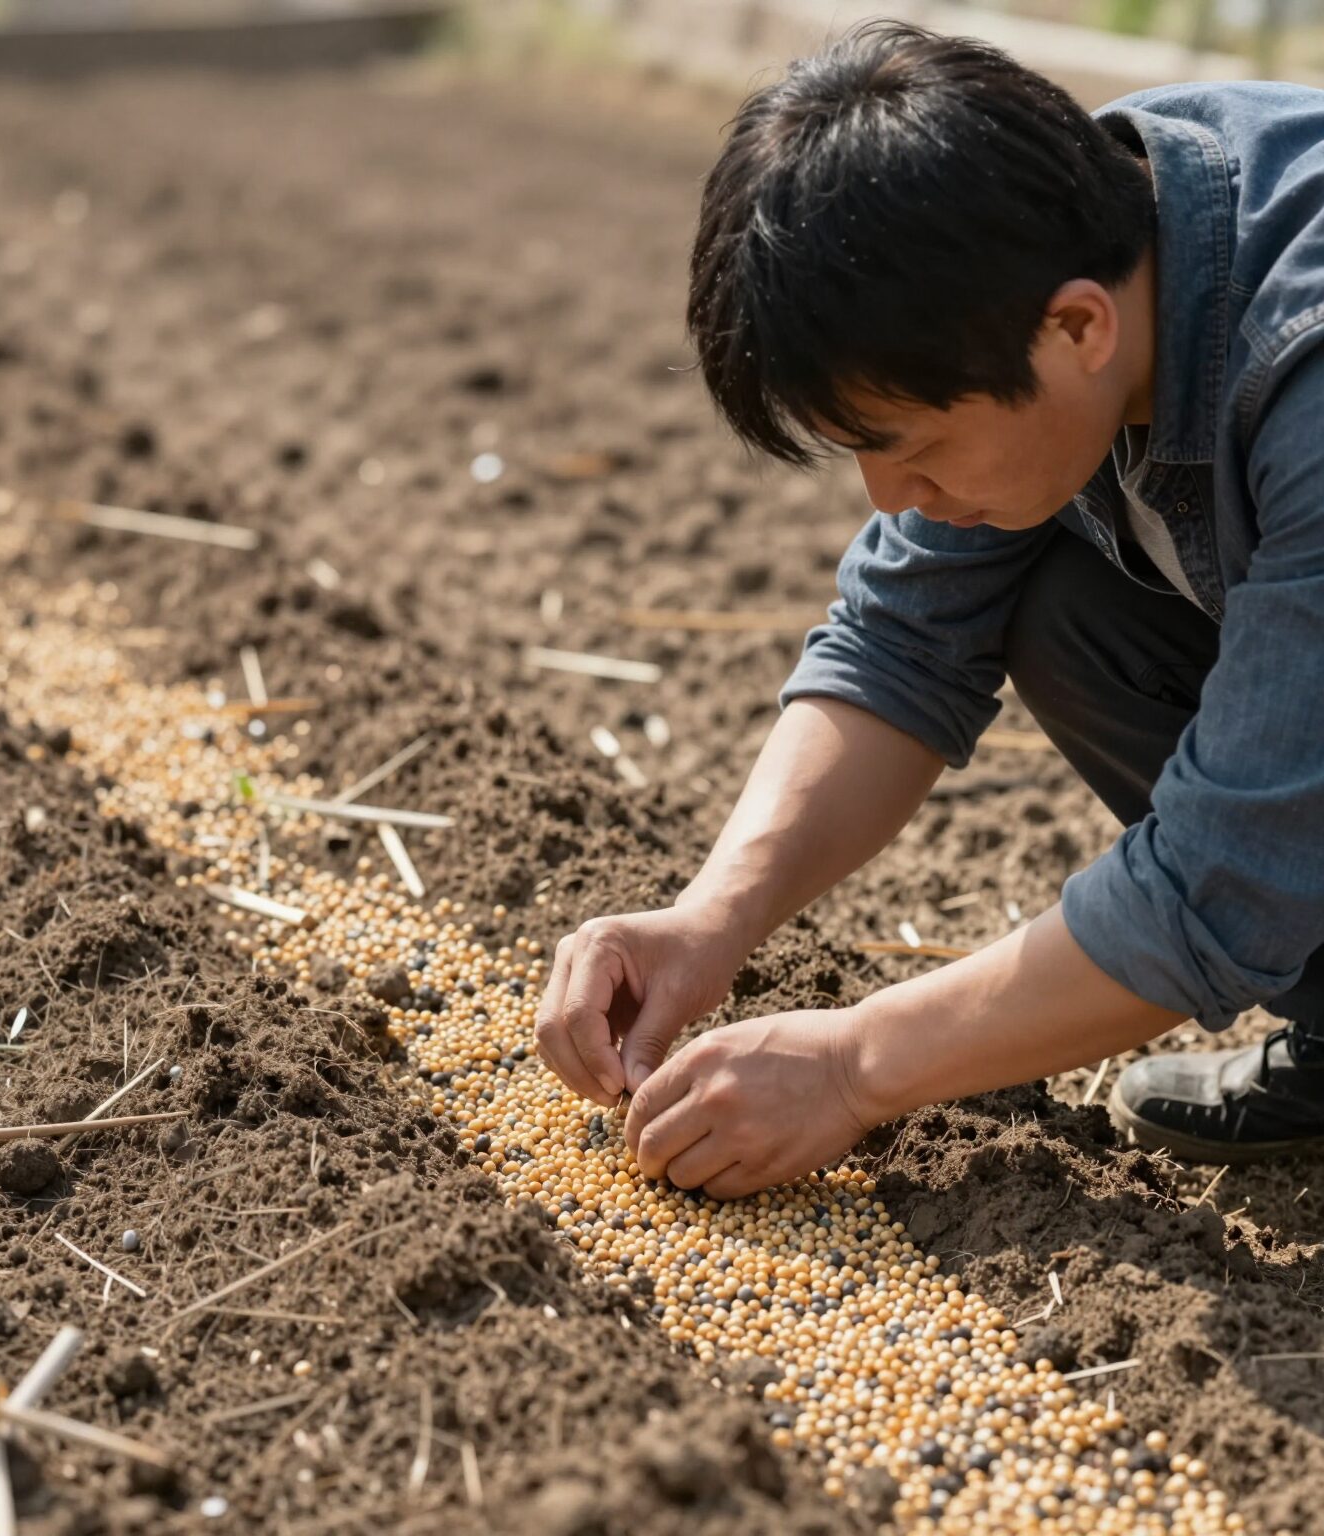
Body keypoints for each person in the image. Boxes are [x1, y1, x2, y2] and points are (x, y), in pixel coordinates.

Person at [534, 21, 1324, 1196]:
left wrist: (856, 1066)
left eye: (909, 443)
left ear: (1076, 330)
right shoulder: (1081, 226)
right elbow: (899, 643)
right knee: (1056, 602)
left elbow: (1225, 876)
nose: (888, 497)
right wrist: (711, 921)